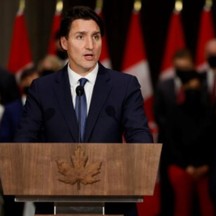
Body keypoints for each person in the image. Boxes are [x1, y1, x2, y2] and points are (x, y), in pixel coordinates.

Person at [14, 5, 153, 216]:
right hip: (54, 205)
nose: (90, 45)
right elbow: (24, 143)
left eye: (96, 37)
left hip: (113, 205)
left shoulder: (124, 86)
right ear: (64, 43)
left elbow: (140, 138)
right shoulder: (42, 89)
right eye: (80, 37)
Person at [167, 69, 215, 216]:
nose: (193, 91)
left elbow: (215, 141)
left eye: (196, 87)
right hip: (182, 167)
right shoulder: (174, 113)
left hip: (206, 168)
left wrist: (206, 166)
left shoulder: (210, 113)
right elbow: (170, 144)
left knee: (209, 209)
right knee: (182, 208)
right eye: (189, 87)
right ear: (183, 89)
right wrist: (187, 167)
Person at [154, 48, 195, 216]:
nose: (182, 73)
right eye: (179, 69)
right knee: (169, 192)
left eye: (185, 69)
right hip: (169, 147)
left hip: (192, 146)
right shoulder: (164, 86)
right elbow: (158, 115)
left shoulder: (198, 86)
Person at [0, 66, 39, 216]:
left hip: (40, 168)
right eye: (31, 79)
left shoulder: (46, 107)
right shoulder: (12, 109)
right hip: (15, 169)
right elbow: (4, 139)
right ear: (22, 83)